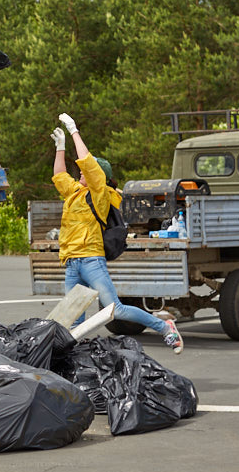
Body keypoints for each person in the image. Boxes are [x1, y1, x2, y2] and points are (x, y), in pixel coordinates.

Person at [52, 113, 183, 353]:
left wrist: (74, 131)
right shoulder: (75, 192)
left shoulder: (100, 194)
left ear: (97, 176)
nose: (80, 173)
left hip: (91, 259)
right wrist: (60, 148)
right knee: (74, 319)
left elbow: (87, 162)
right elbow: (60, 176)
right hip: (71, 261)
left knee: (115, 309)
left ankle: (165, 328)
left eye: (84, 172)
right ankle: (75, 362)